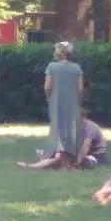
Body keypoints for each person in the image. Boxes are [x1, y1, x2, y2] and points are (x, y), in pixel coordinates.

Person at [17, 113, 106, 171]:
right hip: (82, 156)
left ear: (83, 117)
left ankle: (35, 166)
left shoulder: (90, 127)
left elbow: (85, 148)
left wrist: (77, 163)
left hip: (95, 159)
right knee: (59, 155)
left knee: (61, 157)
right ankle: (38, 164)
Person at [44, 41, 84, 170]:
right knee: (71, 128)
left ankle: (58, 158)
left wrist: (49, 97)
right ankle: (70, 158)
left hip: (56, 101)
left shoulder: (51, 67)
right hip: (72, 103)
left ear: (58, 52)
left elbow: (47, 87)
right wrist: (78, 100)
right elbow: (80, 89)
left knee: (57, 127)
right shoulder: (76, 68)